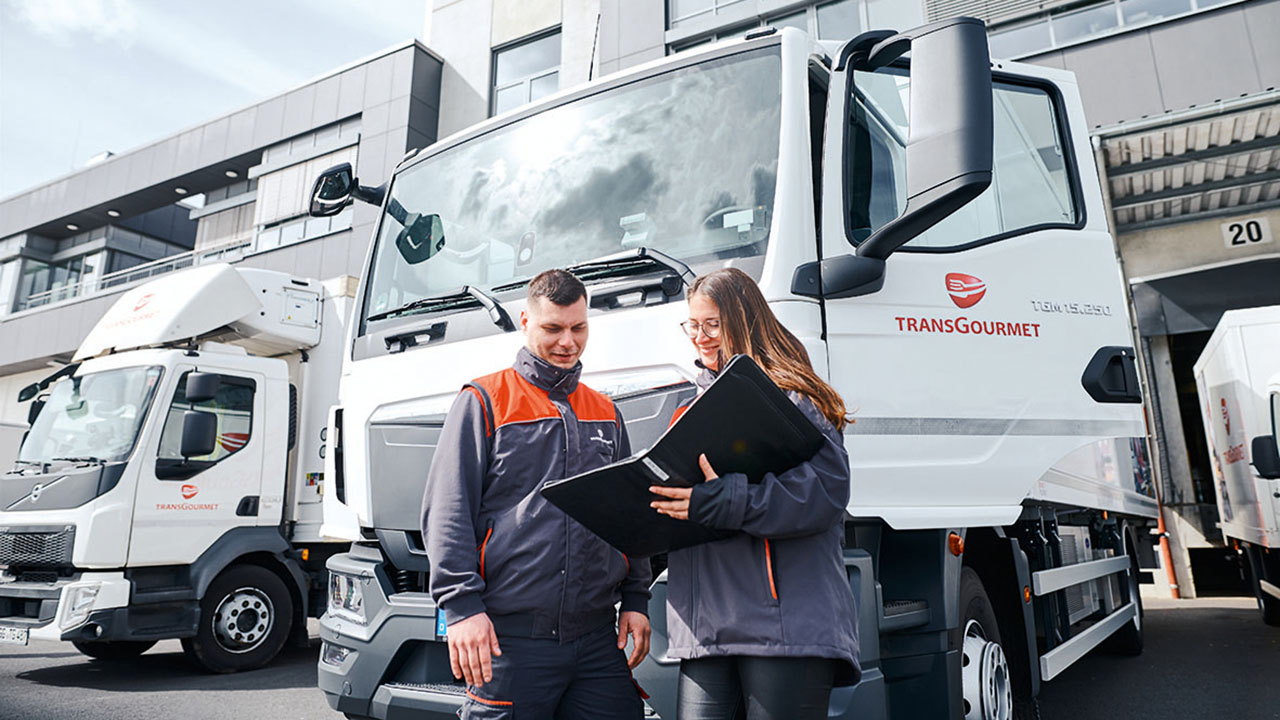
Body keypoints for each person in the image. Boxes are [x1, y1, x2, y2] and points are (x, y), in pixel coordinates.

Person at [423, 269, 652, 719]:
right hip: (510, 642)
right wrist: (462, 607)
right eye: (553, 328)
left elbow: (627, 514)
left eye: (578, 327)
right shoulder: (484, 400)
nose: (568, 341)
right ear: (525, 321)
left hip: (596, 642)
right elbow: (448, 510)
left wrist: (638, 599)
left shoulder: (606, 412)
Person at [649, 267, 860, 720]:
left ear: (743, 321)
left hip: (782, 627)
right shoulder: (687, 411)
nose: (700, 338)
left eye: (712, 325)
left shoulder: (796, 399)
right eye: (693, 325)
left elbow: (826, 492)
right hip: (706, 630)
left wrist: (725, 501)